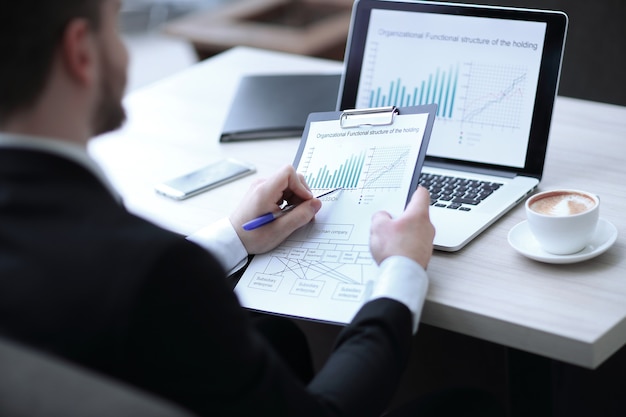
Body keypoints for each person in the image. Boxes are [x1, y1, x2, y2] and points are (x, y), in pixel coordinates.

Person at [0, 1, 442, 416]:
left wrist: (235, 234)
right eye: (114, 28)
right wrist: (402, 269)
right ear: (81, 52)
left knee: (275, 338)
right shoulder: (156, 270)